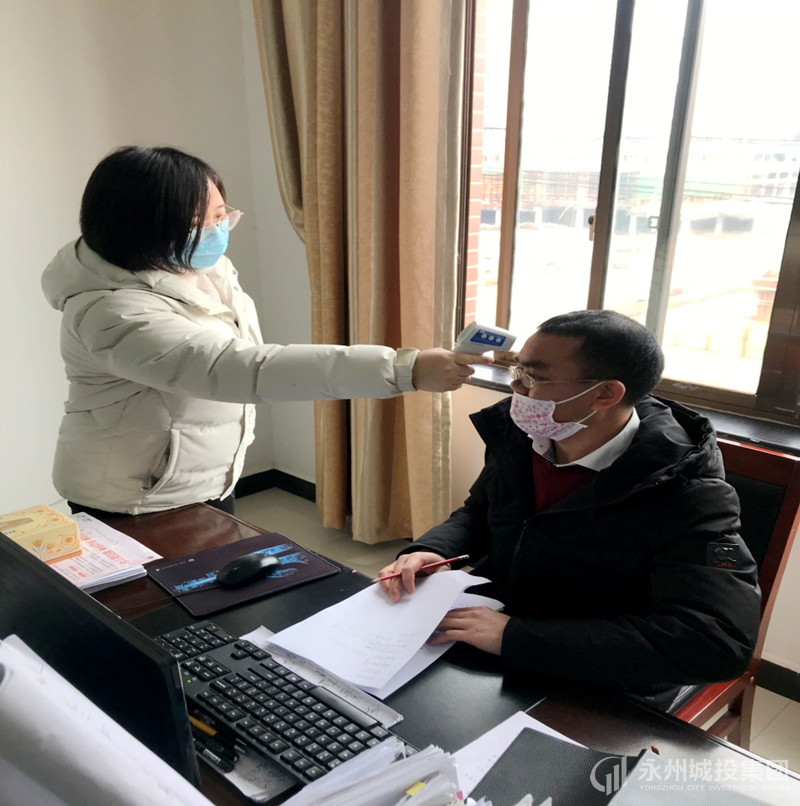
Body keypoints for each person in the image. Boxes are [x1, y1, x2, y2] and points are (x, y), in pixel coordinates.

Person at [42, 145, 490, 516]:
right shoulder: (112, 312)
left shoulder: (200, 267)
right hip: (130, 495)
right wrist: (402, 369)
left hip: (200, 476)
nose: (219, 229)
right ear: (149, 227)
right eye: (203, 222)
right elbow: (237, 368)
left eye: (222, 214)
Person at [378, 310, 760, 708]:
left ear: (605, 394)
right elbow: (481, 511)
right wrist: (435, 549)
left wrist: (516, 636)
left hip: (595, 678)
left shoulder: (687, 494)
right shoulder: (523, 436)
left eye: (534, 377)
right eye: (518, 371)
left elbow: (717, 642)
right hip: (495, 629)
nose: (516, 388)